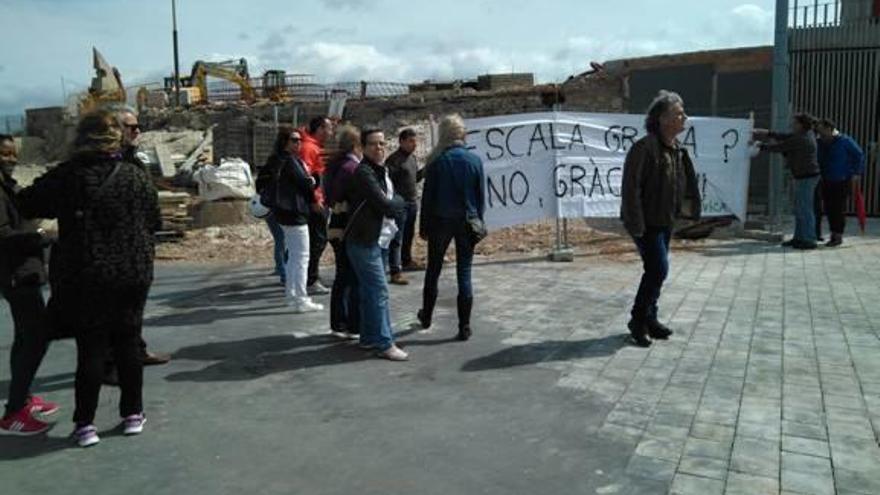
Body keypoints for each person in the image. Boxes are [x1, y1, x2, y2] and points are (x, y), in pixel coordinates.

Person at [17, 109, 161, 447]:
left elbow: (27, 203)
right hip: (133, 272)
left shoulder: (69, 175)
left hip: (87, 273)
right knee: (128, 342)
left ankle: (85, 425)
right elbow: (154, 219)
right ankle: (133, 415)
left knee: (92, 348)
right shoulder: (135, 175)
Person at [620, 91, 701, 348]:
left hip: (666, 220)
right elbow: (630, 189)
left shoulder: (676, 150)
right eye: (679, 113)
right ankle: (638, 320)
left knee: (657, 271)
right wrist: (637, 224)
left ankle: (650, 318)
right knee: (658, 269)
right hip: (646, 222)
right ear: (663, 119)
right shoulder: (644, 148)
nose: (684, 117)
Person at [0, 134, 58, 436]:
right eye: (5, 154)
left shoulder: (8, 187)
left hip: (23, 271)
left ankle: (22, 397)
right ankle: (14, 412)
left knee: (26, 336)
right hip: (15, 273)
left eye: (13, 154)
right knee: (36, 336)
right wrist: (41, 236)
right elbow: (3, 234)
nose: (11, 160)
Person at [417, 115, 486, 341]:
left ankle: (426, 316)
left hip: (440, 221)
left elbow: (427, 198)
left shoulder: (437, 161)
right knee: (464, 273)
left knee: (433, 270)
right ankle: (464, 326)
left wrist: (423, 226)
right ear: (462, 134)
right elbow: (480, 197)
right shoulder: (475, 160)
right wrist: (479, 221)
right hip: (467, 221)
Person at [342, 129, 408, 361]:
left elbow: (393, 200)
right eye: (372, 144)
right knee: (379, 291)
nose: (378, 148)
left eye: (381, 143)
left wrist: (395, 201)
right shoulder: (364, 172)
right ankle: (384, 343)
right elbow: (387, 205)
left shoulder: (382, 171)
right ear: (362, 147)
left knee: (370, 292)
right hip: (363, 241)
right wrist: (398, 202)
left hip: (378, 239)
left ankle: (369, 337)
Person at [114, 107, 170, 367]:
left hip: (139, 243)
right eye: (130, 126)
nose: (137, 131)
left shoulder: (134, 159)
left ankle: (136, 349)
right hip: (118, 246)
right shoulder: (111, 163)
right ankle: (113, 361)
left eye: (138, 126)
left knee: (134, 307)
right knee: (118, 309)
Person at [264, 126, 324, 313]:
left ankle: (291, 294)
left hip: (282, 212)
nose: (299, 143)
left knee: (293, 256)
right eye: (294, 140)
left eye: (299, 140)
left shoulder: (275, 160)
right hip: (295, 213)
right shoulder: (290, 161)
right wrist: (314, 179)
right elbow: (305, 183)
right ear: (285, 142)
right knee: (301, 257)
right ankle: (300, 297)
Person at [755, 113, 821, 250]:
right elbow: (784, 136)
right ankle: (799, 237)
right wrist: (767, 133)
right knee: (799, 209)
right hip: (803, 176)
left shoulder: (802, 138)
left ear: (801, 125)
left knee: (805, 209)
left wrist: (760, 146)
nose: (792, 125)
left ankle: (809, 239)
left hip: (806, 177)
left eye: (795, 123)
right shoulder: (804, 134)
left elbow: (780, 147)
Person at [325, 125, 362, 339]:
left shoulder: (334, 165)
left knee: (342, 276)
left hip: (336, 225)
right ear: (356, 145)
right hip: (347, 225)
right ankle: (350, 322)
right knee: (351, 276)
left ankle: (338, 322)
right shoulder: (350, 168)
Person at [298, 116, 334, 296]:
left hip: (317, 201)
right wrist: (315, 200)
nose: (331, 133)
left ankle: (307, 277)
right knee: (317, 241)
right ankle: (310, 279)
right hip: (315, 204)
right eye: (328, 128)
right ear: (320, 129)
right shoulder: (308, 149)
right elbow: (307, 179)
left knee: (316, 241)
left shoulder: (312, 147)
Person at [816, 118, 865, 247]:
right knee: (828, 207)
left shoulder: (844, 141)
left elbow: (859, 155)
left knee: (838, 208)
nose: (819, 132)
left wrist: (856, 173)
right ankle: (832, 233)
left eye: (821, 129)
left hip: (841, 180)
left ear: (829, 129)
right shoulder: (820, 142)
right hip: (825, 179)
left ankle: (837, 235)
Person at [386, 128, 424, 285]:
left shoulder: (412, 158)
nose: (414, 144)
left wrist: (426, 171)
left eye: (415, 141)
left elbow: (414, 179)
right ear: (401, 142)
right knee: (397, 238)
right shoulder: (394, 160)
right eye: (410, 141)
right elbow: (388, 183)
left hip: (412, 202)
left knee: (409, 234)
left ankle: (406, 260)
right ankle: (395, 271)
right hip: (400, 204)